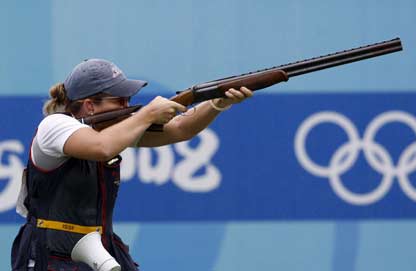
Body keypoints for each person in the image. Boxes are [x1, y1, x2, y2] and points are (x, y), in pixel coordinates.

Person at [11, 58, 253, 270]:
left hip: (98, 254)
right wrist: (146, 114)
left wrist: (216, 103)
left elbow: (181, 129)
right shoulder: (54, 126)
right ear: (90, 105)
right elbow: (101, 147)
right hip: (50, 257)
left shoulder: (113, 130)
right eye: (120, 99)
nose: (127, 107)